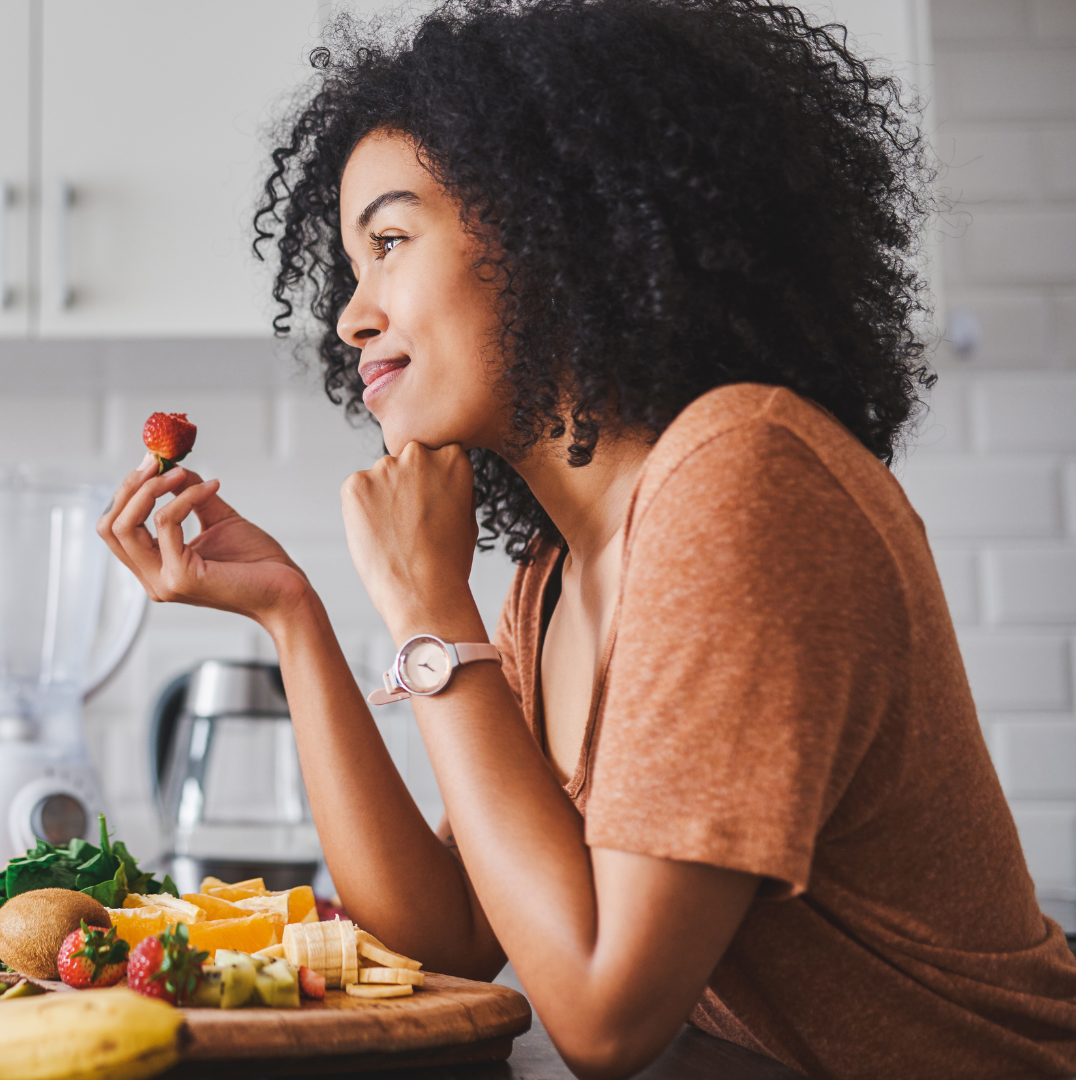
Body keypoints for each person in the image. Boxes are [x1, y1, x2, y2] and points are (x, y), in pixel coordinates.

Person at [96, 1, 1076, 1077]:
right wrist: (293, 617)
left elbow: (604, 1018)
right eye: (350, 266)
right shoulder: (552, 578)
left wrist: (429, 610)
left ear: (548, 226)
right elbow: (453, 929)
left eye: (387, 242)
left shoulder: (744, 477)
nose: (351, 314)